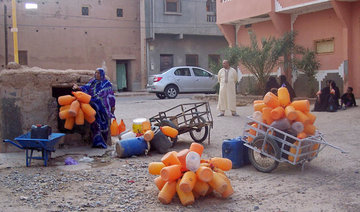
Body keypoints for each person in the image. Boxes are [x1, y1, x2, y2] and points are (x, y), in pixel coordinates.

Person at [73, 68, 116, 148]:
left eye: (98, 73)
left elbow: (111, 96)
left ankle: (104, 142)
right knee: (95, 123)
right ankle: (97, 143)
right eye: (95, 73)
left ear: (102, 74)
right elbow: (86, 87)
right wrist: (78, 88)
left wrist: (112, 106)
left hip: (104, 108)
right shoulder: (92, 82)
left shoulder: (107, 84)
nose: (96, 74)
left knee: (104, 125)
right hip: (94, 106)